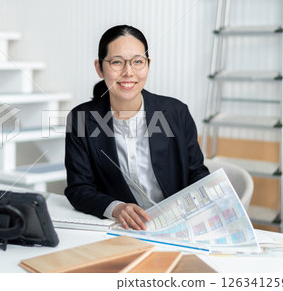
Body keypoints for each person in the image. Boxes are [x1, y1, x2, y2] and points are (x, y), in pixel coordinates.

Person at [64, 25, 209, 231]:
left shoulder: (176, 112)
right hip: (124, 230)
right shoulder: (81, 119)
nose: (128, 72)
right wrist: (116, 208)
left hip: (178, 227)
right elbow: (79, 189)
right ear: (99, 67)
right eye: (116, 62)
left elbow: (197, 174)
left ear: (148, 65)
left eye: (138, 62)